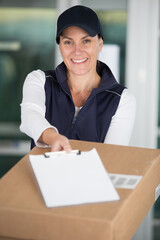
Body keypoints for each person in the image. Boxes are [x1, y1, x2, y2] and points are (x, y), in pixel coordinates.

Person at [20, 5, 136, 152]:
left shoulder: (121, 99)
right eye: (68, 42)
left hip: (93, 176)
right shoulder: (40, 81)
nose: (77, 51)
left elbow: (110, 158)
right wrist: (53, 137)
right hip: (40, 175)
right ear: (60, 47)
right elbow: (30, 116)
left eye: (86, 41)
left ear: (99, 44)